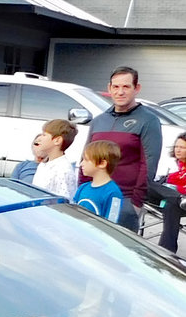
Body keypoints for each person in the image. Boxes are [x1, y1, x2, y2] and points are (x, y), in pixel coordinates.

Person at [91, 67, 161, 222]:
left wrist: (136, 202)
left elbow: (149, 165)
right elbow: (87, 158)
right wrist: (82, 191)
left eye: (126, 87)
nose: (120, 92)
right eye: (116, 87)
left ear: (136, 88)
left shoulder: (148, 121)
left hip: (125, 200)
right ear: (109, 88)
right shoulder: (99, 121)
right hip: (94, 197)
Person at [13, 118, 78, 196]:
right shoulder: (44, 165)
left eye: (44, 135)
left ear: (57, 140)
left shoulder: (63, 170)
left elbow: (64, 201)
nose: (39, 138)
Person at [73, 139, 125, 223]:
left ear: (102, 164)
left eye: (86, 160)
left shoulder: (113, 193)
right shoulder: (83, 187)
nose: (81, 164)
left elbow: (111, 223)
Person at [154, 134, 186, 255]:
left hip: (181, 203)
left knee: (171, 205)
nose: (178, 150)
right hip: (174, 198)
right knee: (146, 184)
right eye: (176, 146)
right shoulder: (177, 167)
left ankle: (166, 251)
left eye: (182, 147)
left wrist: (174, 188)